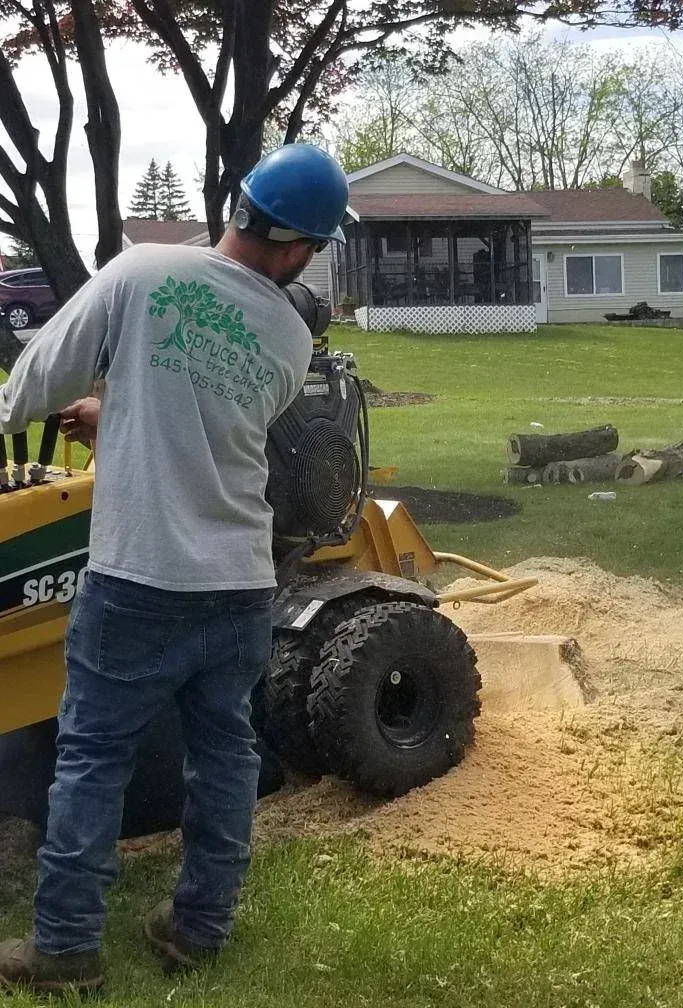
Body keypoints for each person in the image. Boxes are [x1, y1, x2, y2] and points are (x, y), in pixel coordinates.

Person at [0, 144, 350, 993]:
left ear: (240, 207)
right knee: (225, 755)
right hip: (236, 582)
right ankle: (197, 928)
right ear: (301, 248)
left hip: (137, 581)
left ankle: (66, 948)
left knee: (90, 760)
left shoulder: (142, 270)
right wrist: (116, 408)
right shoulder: (288, 335)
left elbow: (27, 389)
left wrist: (72, 402)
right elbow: (215, 411)